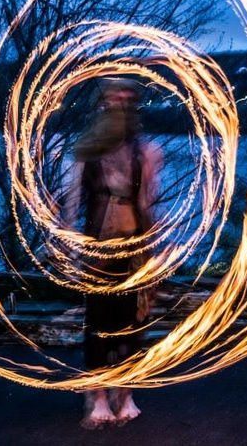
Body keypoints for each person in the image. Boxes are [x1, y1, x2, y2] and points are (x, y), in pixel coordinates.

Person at [63, 77, 163, 429]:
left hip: (132, 248)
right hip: (97, 250)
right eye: (111, 97)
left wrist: (155, 251)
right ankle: (98, 396)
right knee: (99, 324)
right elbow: (72, 203)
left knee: (130, 324)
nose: (118, 104)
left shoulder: (146, 153)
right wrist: (72, 251)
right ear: (100, 104)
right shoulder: (86, 152)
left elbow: (147, 203)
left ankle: (125, 392)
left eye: (125, 98)